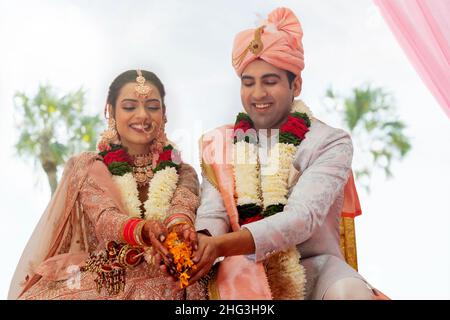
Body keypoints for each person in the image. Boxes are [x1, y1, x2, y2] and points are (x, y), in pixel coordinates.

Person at [187, 7, 389, 300]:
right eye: (248, 83)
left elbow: (301, 218)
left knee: (350, 293)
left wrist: (221, 246)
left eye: (270, 82)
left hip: (317, 269)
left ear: (296, 85)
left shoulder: (330, 142)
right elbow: (213, 212)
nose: (257, 94)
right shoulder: (220, 142)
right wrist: (203, 241)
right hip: (243, 270)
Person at [8, 70, 207, 300]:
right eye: (130, 107)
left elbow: (182, 208)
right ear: (111, 111)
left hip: (165, 270)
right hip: (107, 273)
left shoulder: (182, 170)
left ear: (164, 114)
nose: (142, 115)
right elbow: (104, 217)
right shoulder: (88, 166)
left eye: (152, 107)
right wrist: (143, 230)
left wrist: (179, 230)